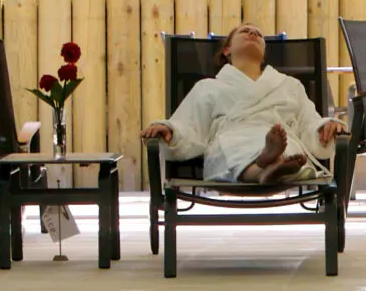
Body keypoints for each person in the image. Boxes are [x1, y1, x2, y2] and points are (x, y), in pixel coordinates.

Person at [140, 23, 347, 183]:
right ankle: (267, 166)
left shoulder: (289, 85)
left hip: (278, 135)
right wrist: (169, 129)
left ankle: (267, 165)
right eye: (245, 31)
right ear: (227, 50)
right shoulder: (208, 87)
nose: (253, 34)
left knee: (286, 147)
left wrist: (324, 128)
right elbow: (188, 125)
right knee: (235, 146)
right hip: (231, 137)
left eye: (258, 34)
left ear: (264, 52)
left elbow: (308, 122)